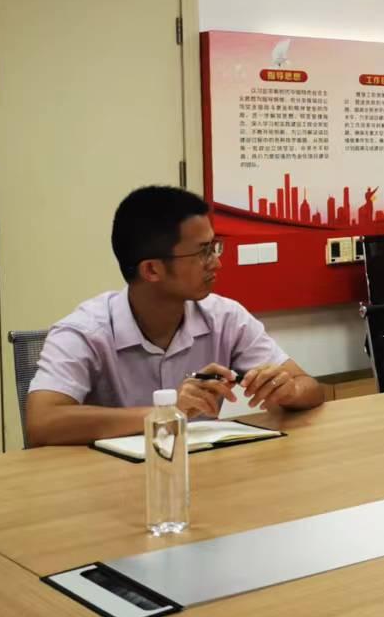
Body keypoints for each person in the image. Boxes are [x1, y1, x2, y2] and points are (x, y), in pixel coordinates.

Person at [26, 186, 323, 446]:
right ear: (152, 270)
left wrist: (289, 391)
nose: (216, 263)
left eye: (214, 248)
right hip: (108, 482)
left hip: (203, 473)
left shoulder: (225, 318)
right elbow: (42, 421)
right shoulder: (86, 331)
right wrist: (165, 412)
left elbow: (310, 387)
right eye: (203, 252)